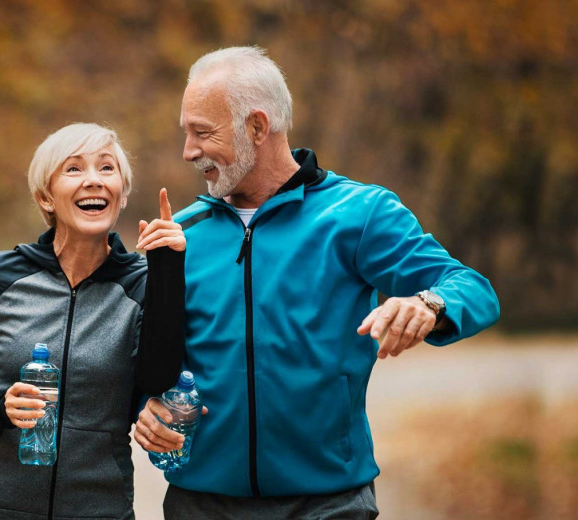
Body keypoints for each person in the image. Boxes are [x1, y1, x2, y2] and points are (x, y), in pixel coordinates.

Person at [133, 47, 501, 519]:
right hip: (200, 505)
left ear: (258, 128)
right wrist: (149, 406)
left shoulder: (359, 214)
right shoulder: (182, 233)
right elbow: (156, 356)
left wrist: (429, 304)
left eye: (202, 133)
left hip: (327, 504)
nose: (188, 151)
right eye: (186, 133)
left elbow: (472, 287)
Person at [0, 123, 186, 520]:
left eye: (107, 168)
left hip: (100, 510)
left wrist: (167, 271)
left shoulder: (143, 284)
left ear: (123, 194)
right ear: (45, 197)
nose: (93, 180)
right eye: (74, 169)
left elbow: (157, 382)